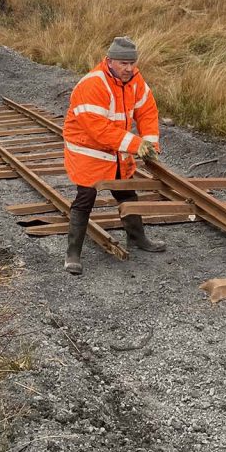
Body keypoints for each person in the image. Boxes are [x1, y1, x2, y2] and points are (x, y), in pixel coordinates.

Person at [62, 36, 165, 274]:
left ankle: (138, 239)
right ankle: (72, 254)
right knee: (85, 199)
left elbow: (147, 112)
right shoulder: (93, 84)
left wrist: (149, 144)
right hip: (88, 152)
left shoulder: (135, 81)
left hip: (117, 151)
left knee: (127, 194)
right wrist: (135, 143)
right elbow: (98, 129)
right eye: (123, 63)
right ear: (109, 61)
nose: (129, 68)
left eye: (132, 63)